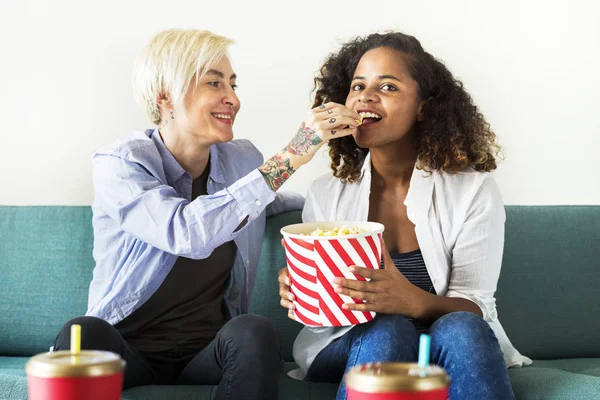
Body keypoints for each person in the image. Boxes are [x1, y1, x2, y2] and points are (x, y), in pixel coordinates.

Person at [52, 29, 361, 400]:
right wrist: (294, 153)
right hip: (126, 350)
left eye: (232, 84)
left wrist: (354, 197)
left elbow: (271, 203)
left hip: (207, 353)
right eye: (214, 83)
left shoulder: (241, 159)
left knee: (253, 329)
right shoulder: (120, 164)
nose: (232, 98)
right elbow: (186, 233)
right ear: (164, 96)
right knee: (82, 332)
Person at [278, 31, 531, 400]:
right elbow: (323, 316)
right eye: (357, 86)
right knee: (389, 329)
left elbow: (476, 305)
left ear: (424, 107)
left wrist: (413, 301)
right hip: (351, 342)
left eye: (388, 87)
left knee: (463, 326)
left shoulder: (473, 192)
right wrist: (305, 291)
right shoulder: (327, 193)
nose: (365, 96)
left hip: (445, 343)